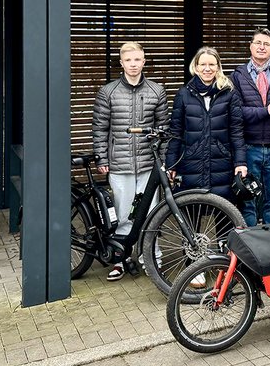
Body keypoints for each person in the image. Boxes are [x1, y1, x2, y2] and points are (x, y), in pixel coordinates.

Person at [92, 41, 169, 281]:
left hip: (148, 164)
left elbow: (163, 129)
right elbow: (100, 128)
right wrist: (102, 157)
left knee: (150, 213)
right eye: (128, 60)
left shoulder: (157, 91)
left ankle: (151, 258)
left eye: (137, 60)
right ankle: (120, 258)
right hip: (119, 164)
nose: (133, 64)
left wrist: (163, 162)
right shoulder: (108, 92)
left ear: (144, 61)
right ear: (121, 62)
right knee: (124, 214)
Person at [165, 46, 247, 200]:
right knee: (192, 214)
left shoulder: (229, 93)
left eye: (212, 65)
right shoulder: (183, 94)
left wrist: (240, 162)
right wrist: (171, 165)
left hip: (222, 164)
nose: (207, 69)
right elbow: (175, 133)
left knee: (224, 215)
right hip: (191, 164)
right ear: (196, 67)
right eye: (203, 64)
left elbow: (236, 132)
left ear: (218, 67)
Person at [231, 28, 270, 226]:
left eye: (266, 44)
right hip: (249, 148)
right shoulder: (238, 76)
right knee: (248, 201)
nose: (262, 47)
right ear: (250, 46)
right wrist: (266, 111)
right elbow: (237, 113)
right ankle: (251, 247)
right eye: (258, 42)